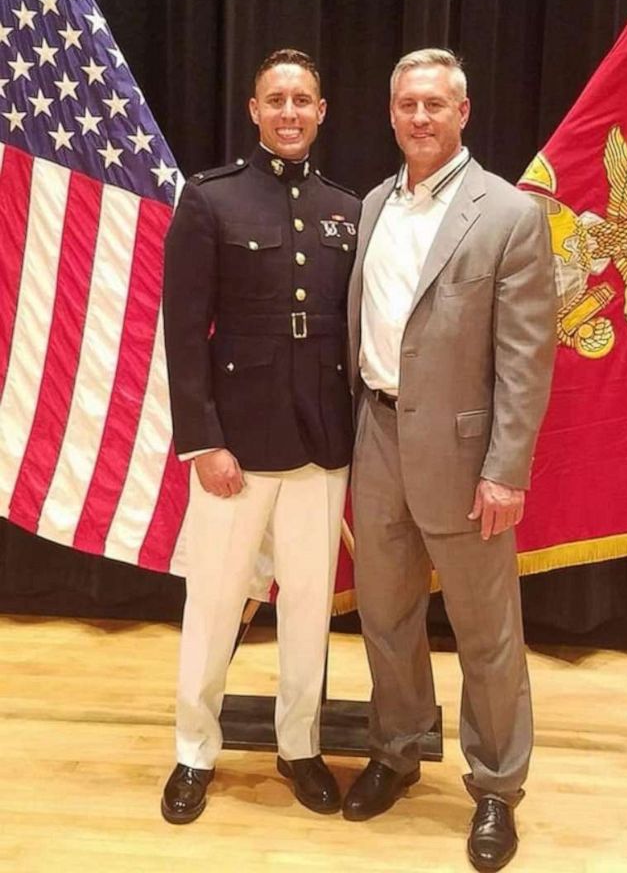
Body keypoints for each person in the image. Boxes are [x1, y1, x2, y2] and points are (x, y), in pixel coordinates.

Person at [344, 48, 556, 872]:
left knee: (485, 632)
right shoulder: (372, 206)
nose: (420, 118)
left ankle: (497, 788)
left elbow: (527, 358)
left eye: (436, 104)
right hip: (379, 439)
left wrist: (507, 467)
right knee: (387, 618)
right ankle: (396, 751)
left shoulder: (508, 214)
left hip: (468, 461)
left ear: (463, 112)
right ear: (392, 113)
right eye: (408, 105)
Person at [161, 48, 360, 823]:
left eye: (302, 100)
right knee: (213, 603)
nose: (288, 112)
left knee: (309, 605)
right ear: (253, 110)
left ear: (321, 111)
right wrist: (202, 441)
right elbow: (182, 334)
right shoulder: (211, 201)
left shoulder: (346, 207)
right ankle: (193, 750)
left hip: (321, 443)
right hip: (234, 447)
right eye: (275, 99)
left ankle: (300, 746)